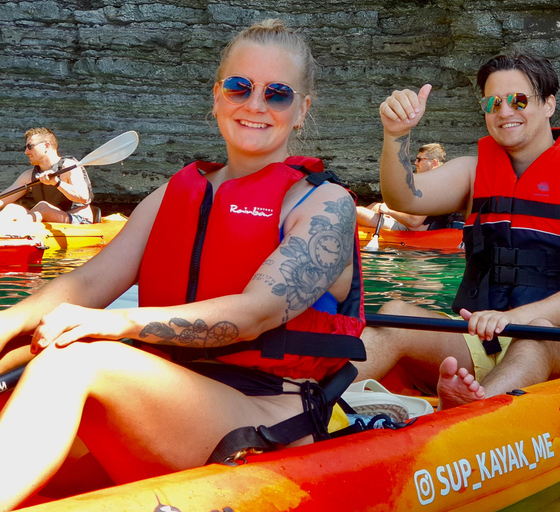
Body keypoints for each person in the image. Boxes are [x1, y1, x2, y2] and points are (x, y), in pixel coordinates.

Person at [0, 19, 364, 510]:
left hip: (264, 412)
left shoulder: (326, 206)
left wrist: (117, 324)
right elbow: (88, 281)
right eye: (240, 87)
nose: (255, 105)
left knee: (74, 359)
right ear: (217, 96)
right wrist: (5, 326)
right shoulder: (175, 193)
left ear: (301, 110)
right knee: (17, 353)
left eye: (277, 94)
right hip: (166, 397)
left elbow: (253, 313)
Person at [356, 53, 560, 410]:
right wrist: (396, 135)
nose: (504, 112)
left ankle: (469, 413)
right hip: (488, 339)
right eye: (493, 102)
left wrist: (511, 319)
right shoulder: (473, 173)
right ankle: (302, 404)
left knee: (537, 336)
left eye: (519, 100)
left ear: (548, 104)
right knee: (394, 314)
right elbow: (402, 196)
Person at [0, 127, 94, 224]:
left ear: (46, 146)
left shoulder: (69, 166)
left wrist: (56, 182)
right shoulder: (29, 176)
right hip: (48, 220)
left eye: (30, 146)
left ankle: (17, 229)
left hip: (79, 220)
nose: (26, 152)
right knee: (12, 209)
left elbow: (83, 197)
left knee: (43, 207)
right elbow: (3, 199)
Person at [356, 143, 451, 231]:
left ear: (433, 162)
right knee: (376, 206)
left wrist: (389, 211)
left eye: (420, 159)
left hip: (410, 229)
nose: (415, 163)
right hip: (409, 224)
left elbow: (414, 222)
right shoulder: (437, 181)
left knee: (356, 211)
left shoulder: (432, 187)